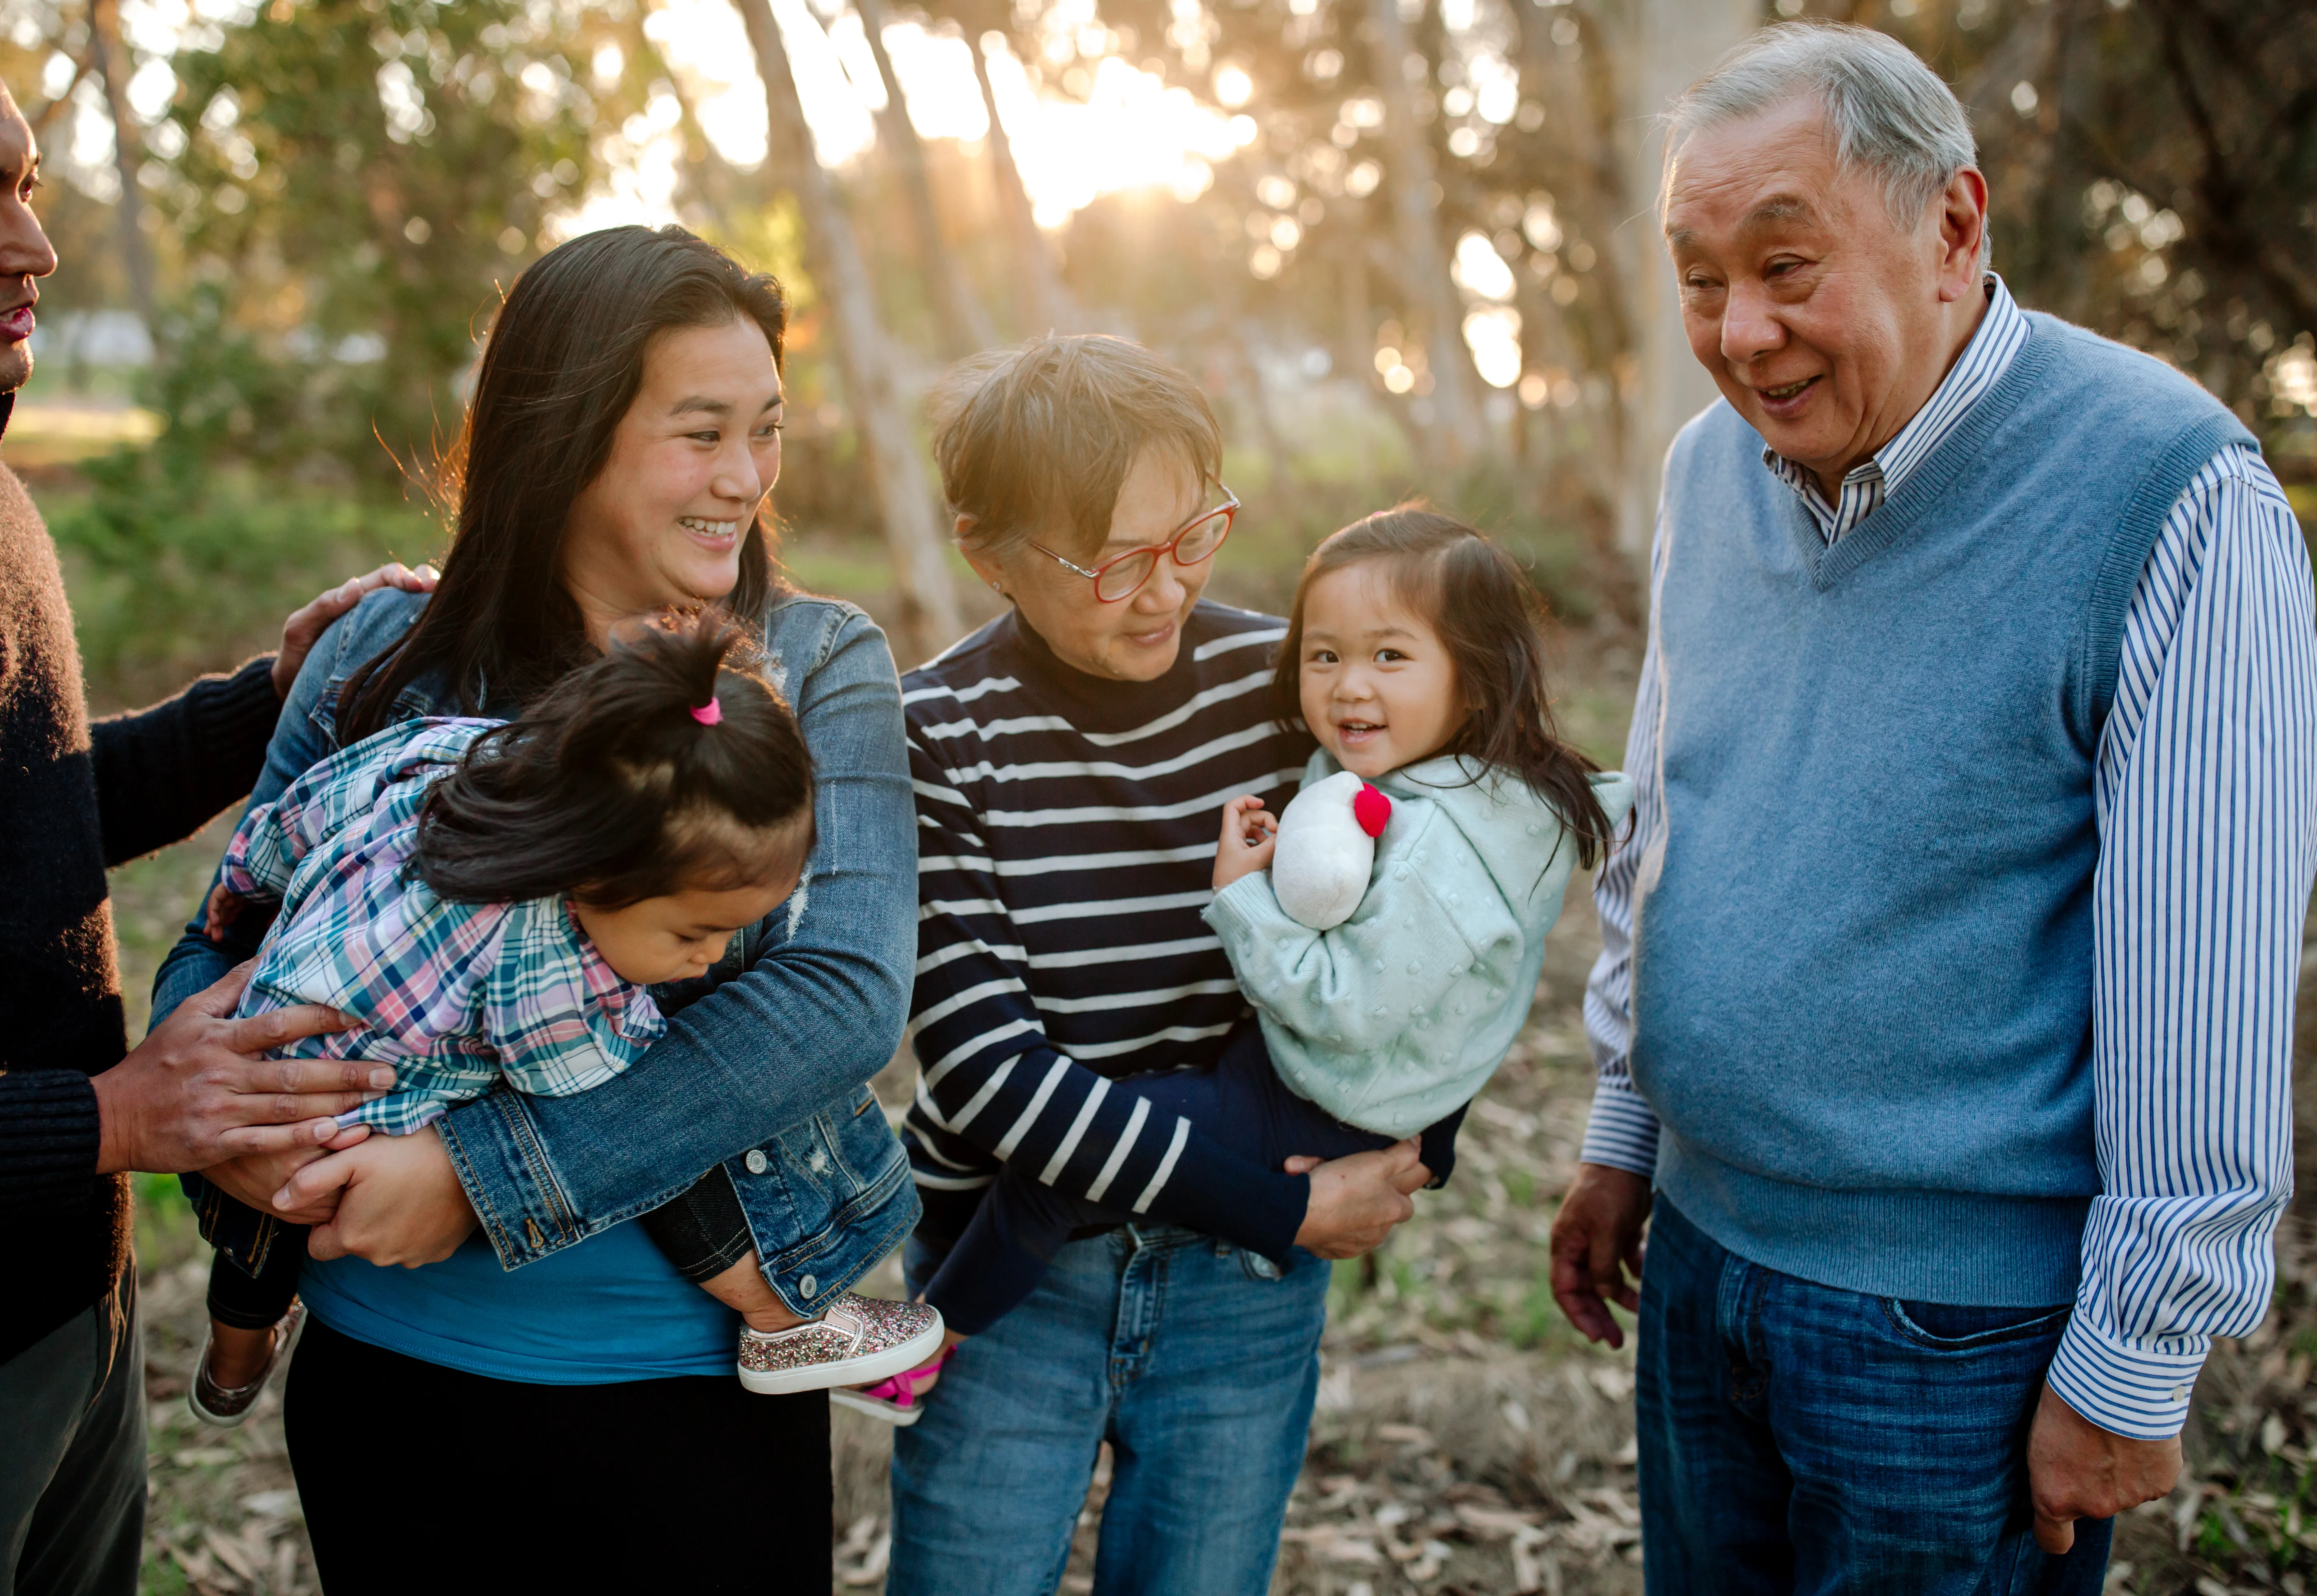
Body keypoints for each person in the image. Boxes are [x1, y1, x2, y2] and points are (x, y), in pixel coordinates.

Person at [1547, 22, 2317, 1594]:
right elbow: (1670, 830)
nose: (1742, 333)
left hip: (1956, 1340)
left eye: (1787, 265)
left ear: (1953, 227)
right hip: (1699, 1270)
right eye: (1701, 279)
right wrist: (1628, 1125)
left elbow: (2210, 974)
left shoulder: (2171, 493)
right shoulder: (1710, 469)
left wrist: (2133, 1363)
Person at [149, 224, 919, 1592]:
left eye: (768, 431)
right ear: (565, 436)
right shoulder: (386, 659)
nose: (743, 479)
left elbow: (838, 1000)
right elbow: (227, 931)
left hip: (680, 1398)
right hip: (391, 1383)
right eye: (700, 434)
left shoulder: (813, 660)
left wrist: (477, 1175)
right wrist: (237, 1126)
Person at [0, 5, 435, 1590]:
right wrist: (115, 1117)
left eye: (27, 185)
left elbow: (14, 817)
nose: (36, 245)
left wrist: (266, 708)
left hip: (70, 1315)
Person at [886, 335, 1440, 1595]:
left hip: (1239, 1296)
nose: (1166, 590)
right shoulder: (937, 734)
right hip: (1013, 1286)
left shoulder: (1281, 687)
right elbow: (984, 1076)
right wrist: (1281, 1205)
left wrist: (1409, 1136)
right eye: (1116, 562)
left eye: (1195, 536)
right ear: (987, 552)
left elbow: (1415, 928)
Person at [899, 508, 1628, 1355]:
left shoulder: (1436, 844)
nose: (1351, 685)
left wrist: (1245, 899)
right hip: (1317, 1078)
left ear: (1475, 679)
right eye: (1326, 656)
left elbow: (1348, 1005)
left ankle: (929, 1343)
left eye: (1390, 656)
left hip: (1322, 1097)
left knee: (1048, 1184)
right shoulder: (1430, 771)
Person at [183, 616, 939, 1427]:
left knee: (250, 1262)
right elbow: (579, 1097)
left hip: (265, 1060)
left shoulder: (460, 755)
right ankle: (781, 1316)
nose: (713, 957)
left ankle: (232, 1364)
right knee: (662, 1125)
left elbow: (321, 798)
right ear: (594, 865)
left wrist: (247, 876)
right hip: (346, 1123)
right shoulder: (541, 965)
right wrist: (667, 1033)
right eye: (695, 934)